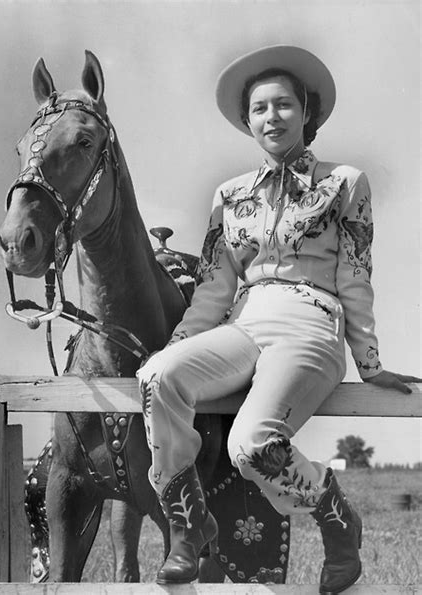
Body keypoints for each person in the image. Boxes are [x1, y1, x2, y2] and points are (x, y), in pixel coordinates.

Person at [137, 45, 420, 593]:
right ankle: (189, 525)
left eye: (285, 105)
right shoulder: (228, 195)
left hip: (311, 325)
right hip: (243, 325)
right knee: (158, 377)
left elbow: (356, 276)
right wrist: (174, 347)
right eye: (261, 108)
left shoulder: (344, 182)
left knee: (251, 447)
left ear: (307, 111)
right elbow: (215, 289)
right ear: (248, 121)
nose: (273, 117)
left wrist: (370, 361)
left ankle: (338, 521)